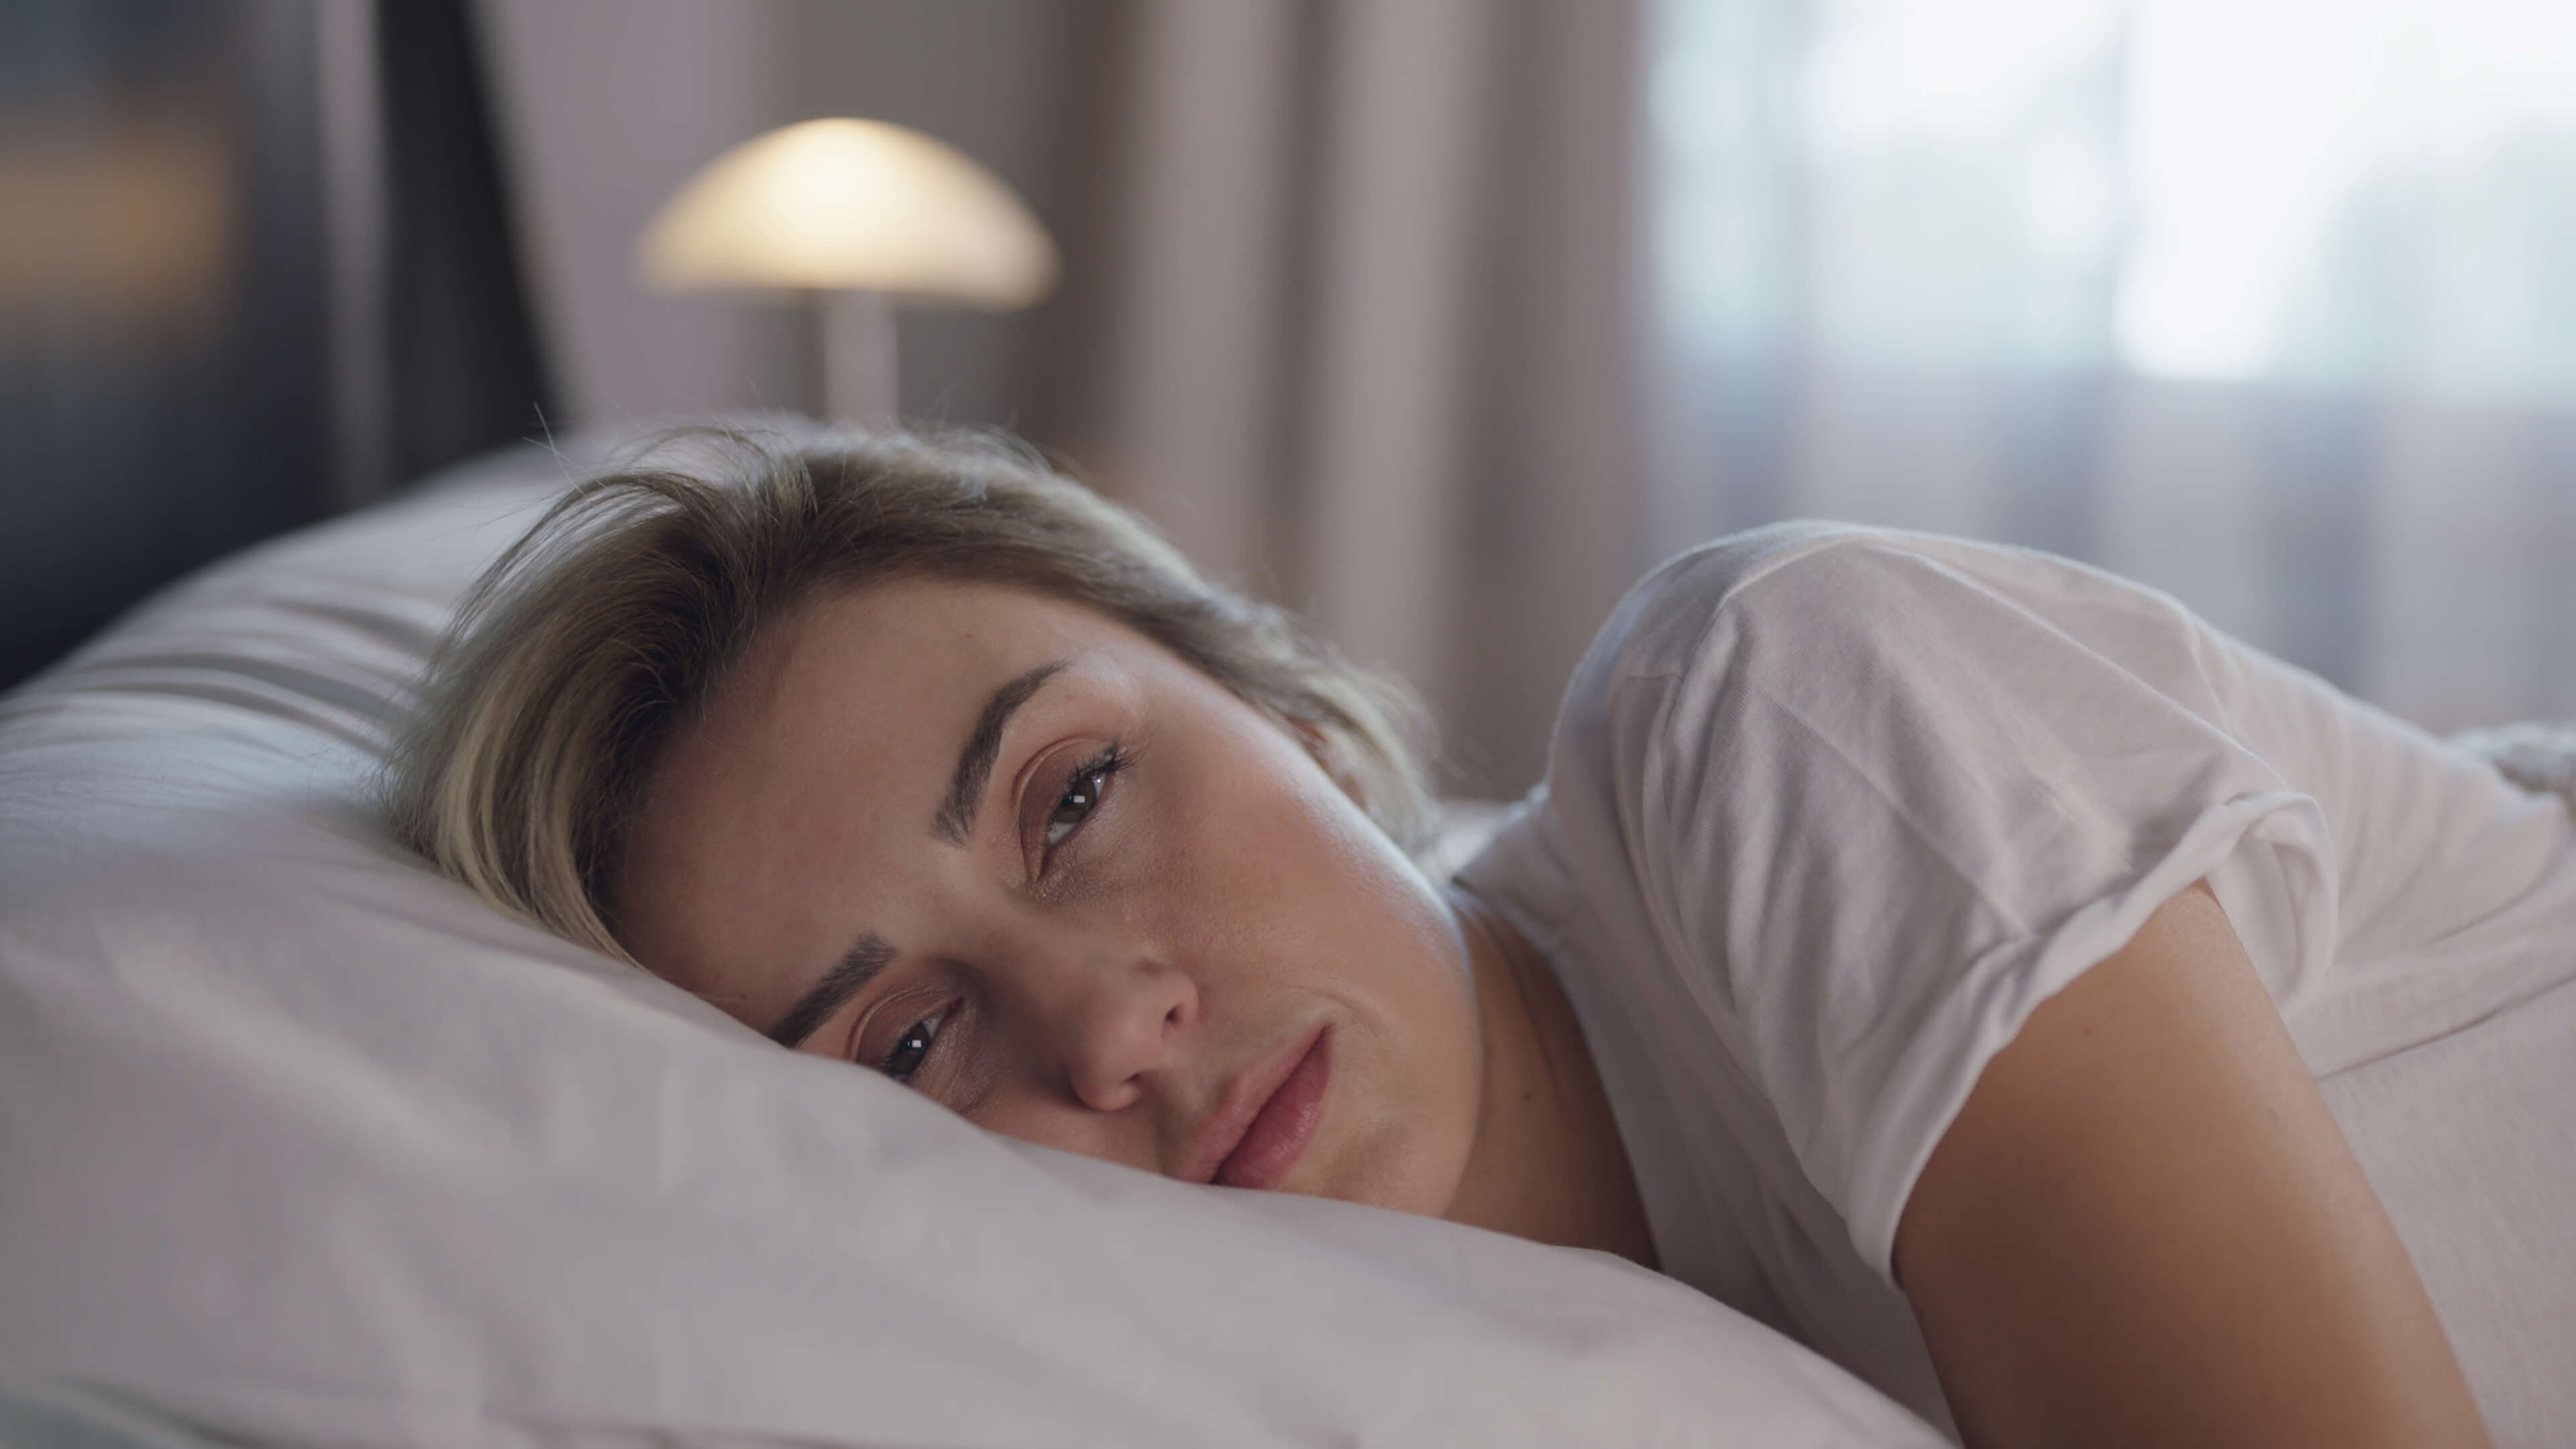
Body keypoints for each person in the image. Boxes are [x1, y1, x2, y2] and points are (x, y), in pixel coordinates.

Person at [390, 425, 2570, 1448]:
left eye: (1073, 794)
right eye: (901, 1045)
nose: (1111, 1022)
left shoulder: (1776, 699)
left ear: (1291, 705)